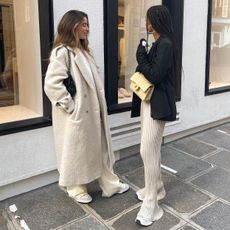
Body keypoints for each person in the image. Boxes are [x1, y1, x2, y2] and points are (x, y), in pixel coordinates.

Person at [44, 10, 129, 204]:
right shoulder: (62, 51)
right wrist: (70, 106)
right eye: (83, 24)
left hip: (93, 112)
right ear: (72, 26)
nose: (87, 28)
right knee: (76, 151)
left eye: (87, 24)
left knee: (100, 148)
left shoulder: (84, 51)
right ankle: (75, 188)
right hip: (78, 114)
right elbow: (51, 84)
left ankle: (110, 183)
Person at [131, 5, 180, 226]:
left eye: (149, 20)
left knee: (146, 149)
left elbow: (155, 75)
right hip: (148, 101)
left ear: (157, 20)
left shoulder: (166, 44)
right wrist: (145, 55)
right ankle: (157, 187)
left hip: (157, 103)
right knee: (152, 149)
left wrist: (140, 56)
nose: (146, 23)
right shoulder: (159, 43)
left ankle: (152, 203)